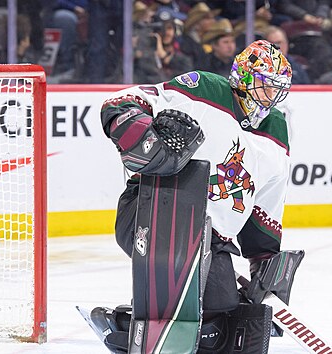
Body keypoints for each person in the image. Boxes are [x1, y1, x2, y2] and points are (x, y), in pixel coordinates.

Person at [97, 40, 297, 353]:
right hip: (153, 211)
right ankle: (134, 327)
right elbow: (123, 101)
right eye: (266, 87)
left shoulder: (277, 132)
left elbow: (264, 205)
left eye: (278, 90)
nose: (272, 97)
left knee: (229, 324)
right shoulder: (204, 89)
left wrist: (264, 265)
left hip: (210, 241)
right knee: (208, 314)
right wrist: (144, 139)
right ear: (244, 79)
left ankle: (133, 323)